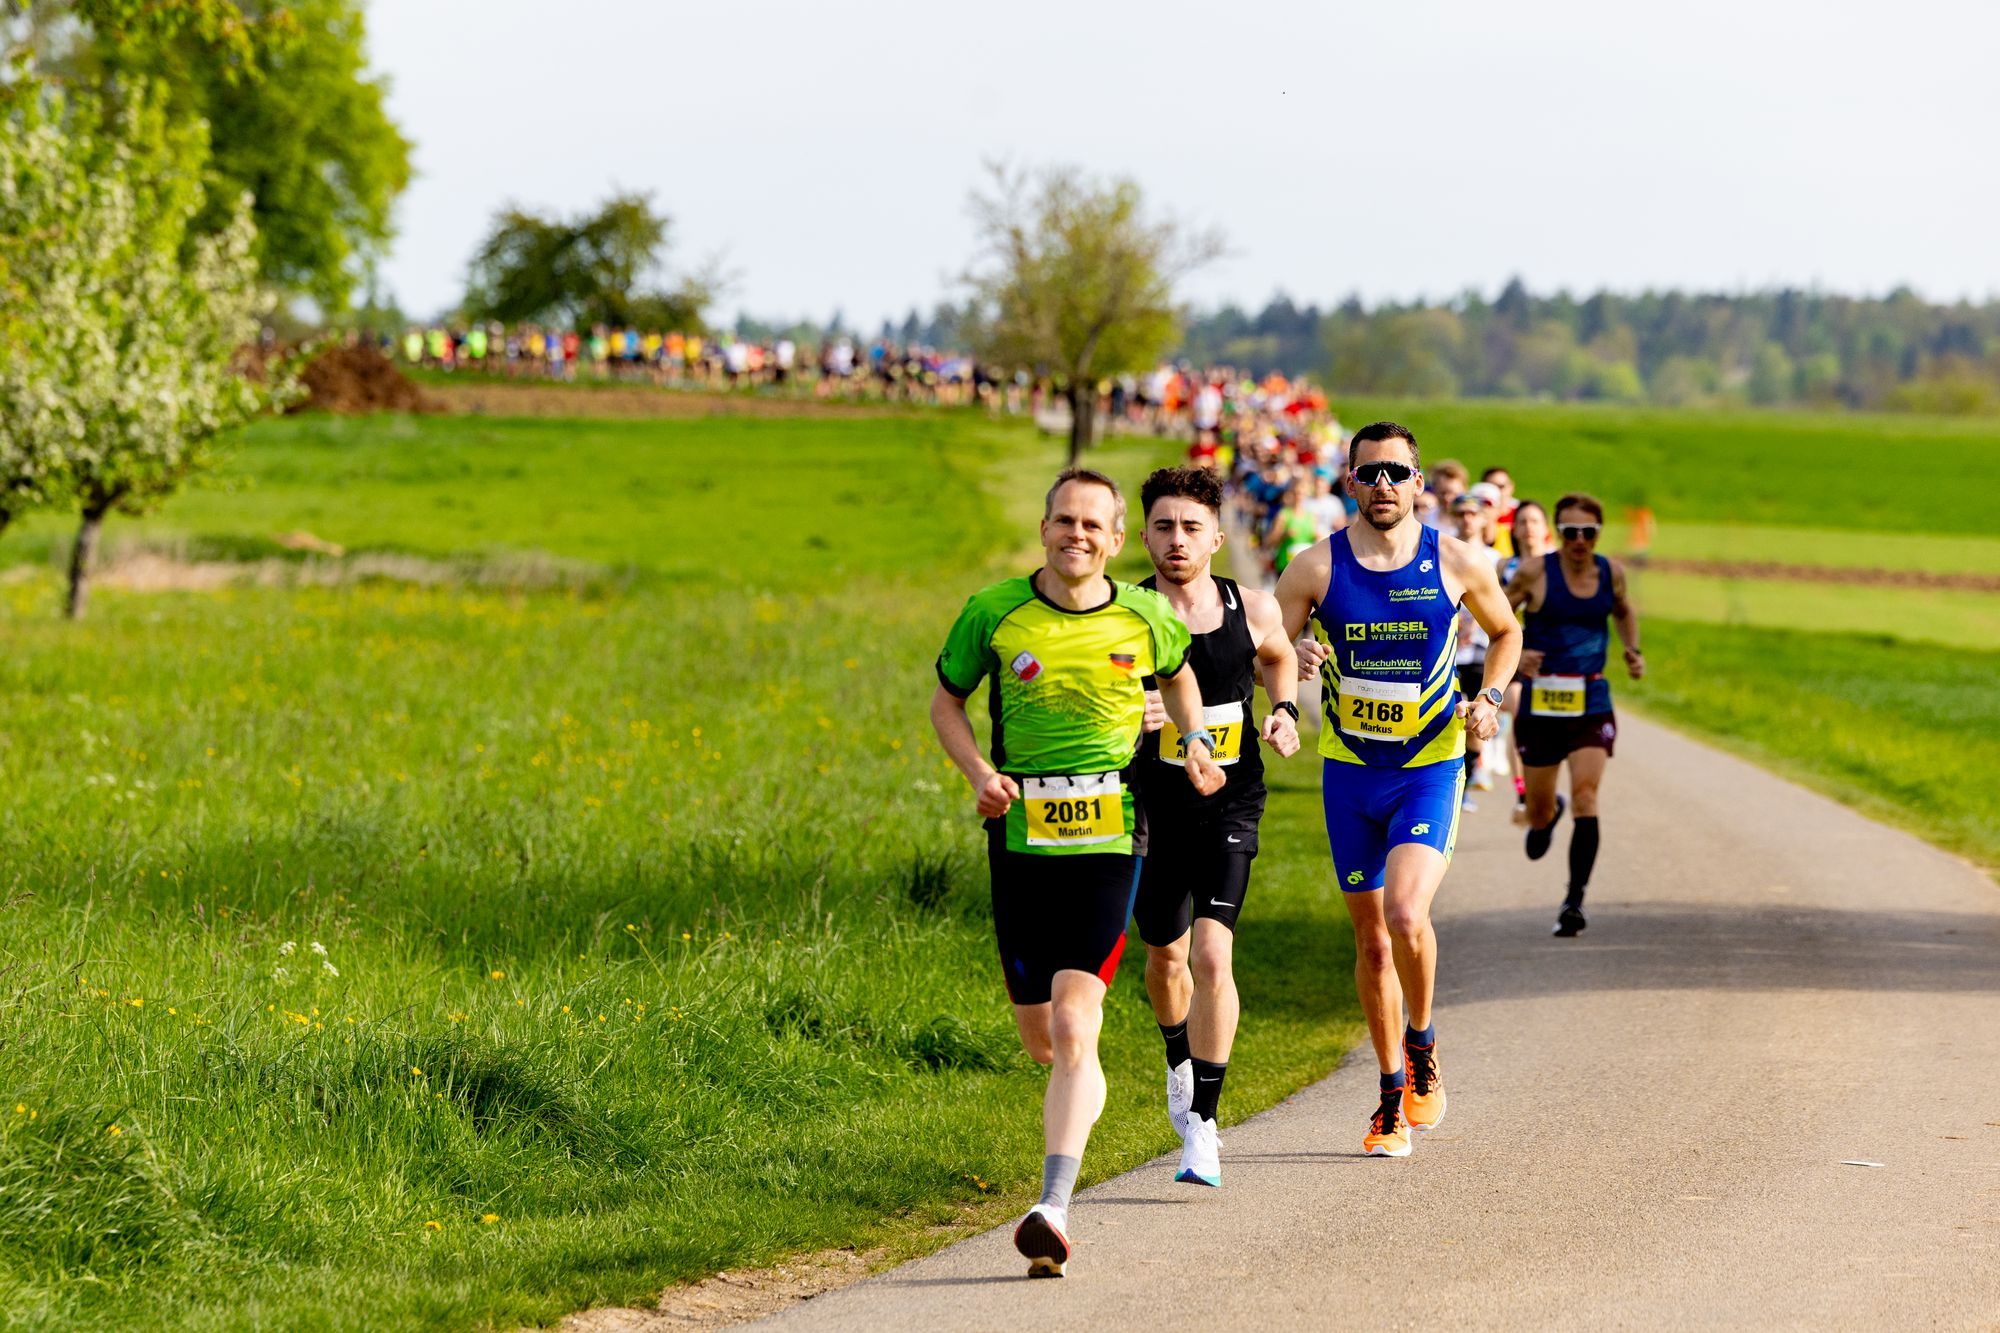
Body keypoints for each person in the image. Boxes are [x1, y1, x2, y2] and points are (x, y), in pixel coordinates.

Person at [931, 468, 1225, 1278]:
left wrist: (1194, 742)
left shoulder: (1146, 613)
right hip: (1019, 840)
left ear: (1116, 539)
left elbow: (1179, 675)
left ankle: (1053, 1207)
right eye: (1066, 520)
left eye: (1094, 524)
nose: (1078, 535)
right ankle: (1077, 1093)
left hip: (1108, 833)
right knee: (1040, 1037)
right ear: (1044, 527)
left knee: (1071, 1025)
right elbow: (946, 702)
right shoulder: (994, 611)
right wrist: (979, 773)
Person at [1279, 423, 1520, 1158]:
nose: (1382, 484)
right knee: (1372, 943)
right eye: (1368, 472)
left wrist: (1491, 697)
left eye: (1397, 472)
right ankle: (1389, 1098)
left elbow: (1505, 632)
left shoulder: (1458, 560)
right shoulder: (1312, 567)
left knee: (1406, 912)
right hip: (1350, 770)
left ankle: (1422, 1039)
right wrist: (1293, 657)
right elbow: (1272, 649)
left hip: (1429, 764)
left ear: (1420, 483)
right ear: (1349, 482)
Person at [1132, 467, 1301, 1189]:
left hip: (1230, 803)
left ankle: (1203, 1125)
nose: (1177, 540)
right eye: (1164, 527)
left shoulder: (1250, 605)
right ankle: (1177, 1051)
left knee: (1210, 956)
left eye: (1191, 527)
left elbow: (1279, 655)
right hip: (1146, 808)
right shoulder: (1123, 613)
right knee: (1167, 959)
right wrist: (1125, 714)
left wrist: (1285, 708)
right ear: (1142, 535)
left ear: (1216, 537)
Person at [1505, 492, 1644, 937]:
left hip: (1591, 699)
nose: (1579, 540)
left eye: (1588, 532)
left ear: (1598, 534)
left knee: (1588, 795)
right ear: (1557, 532)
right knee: (1540, 814)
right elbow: (1496, 618)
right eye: (1570, 532)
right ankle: (1547, 813)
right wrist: (1519, 653)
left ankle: (1574, 901)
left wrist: (1631, 649)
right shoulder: (1533, 572)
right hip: (1543, 702)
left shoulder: (1611, 573)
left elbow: (1623, 609)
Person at [1449, 494, 1504, 811]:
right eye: (1462, 513)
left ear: (1484, 519)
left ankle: (1466, 783)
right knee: (1451, 718)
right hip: (1451, 652)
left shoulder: (1495, 559)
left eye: (1473, 513)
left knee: (1474, 716)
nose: (1467, 519)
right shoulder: (1445, 554)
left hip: (1482, 650)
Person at [1501, 499, 1555, 823]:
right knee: (1520, 711)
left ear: (1546, 529)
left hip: (1553, 656)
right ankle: (1523, 794)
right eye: (1522, 521)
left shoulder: (1558, 566)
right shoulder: (1505, 567)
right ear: (1514, 529)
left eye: (1535, 521)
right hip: (1518, 654)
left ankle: (1544, 794)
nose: (1528, 527)